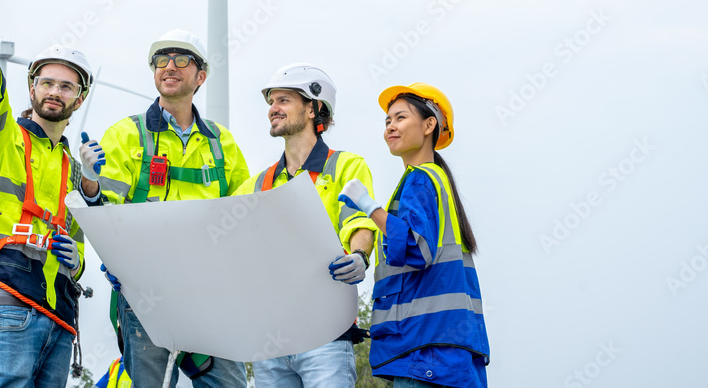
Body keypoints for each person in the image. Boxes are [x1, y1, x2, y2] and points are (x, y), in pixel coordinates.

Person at [80, 29, 250, 387]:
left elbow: (245, 214)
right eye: (161, 60)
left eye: (181, 60)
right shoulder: (126, 135)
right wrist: (91, 184)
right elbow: (104, 212)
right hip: (146, 293)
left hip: (211, 292)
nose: (169, 67)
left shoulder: (223, 143)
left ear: (201, 76)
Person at [0, 0, 92, 388]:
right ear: (31, 88)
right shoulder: (2, 137)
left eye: (66, 86)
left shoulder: (74, 166)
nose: (55, 92)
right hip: (10, 298)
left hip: (60, 312)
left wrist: (78, 262)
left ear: (80, 97)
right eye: (47, 83)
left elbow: (80, 242)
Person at [233, 63, 377, 387]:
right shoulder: (256, 185)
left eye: (283, 100)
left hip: (325, 329)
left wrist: (360, 255)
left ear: (313, 108)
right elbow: (226, 242)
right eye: (271, 101)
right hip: (270, 337)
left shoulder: (345, 166)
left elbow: (358, 222)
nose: (273, 108)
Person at [338, 83, 490, 388]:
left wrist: (369, 207)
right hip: (450, 347)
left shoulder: (419, 180)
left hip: (426, 349)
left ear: (429, 125)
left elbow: (415, 248)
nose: (391, 127)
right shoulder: (437, 180)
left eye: (400, 118)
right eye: (387, 121)